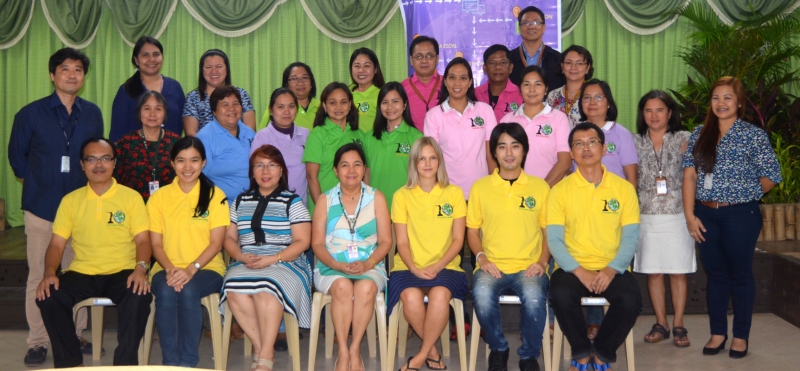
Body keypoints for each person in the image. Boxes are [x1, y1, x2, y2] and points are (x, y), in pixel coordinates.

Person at [8, 47, 103, 366]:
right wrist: (41, 181)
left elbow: (97, 159)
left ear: (84, 77)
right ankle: (38, 341)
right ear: (52, 75)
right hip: (42, 208)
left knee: (78, 275)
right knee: (39, 275)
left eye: (78, 69)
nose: (72, 74)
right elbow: (17, 161)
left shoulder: (92, 113)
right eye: (65, 69)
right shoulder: (30, 114)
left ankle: (75, 333)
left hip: (81, 211)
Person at [682, 76, 781, 358]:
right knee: (715, 275)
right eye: (716, 98)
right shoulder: (700, 132)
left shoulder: (753, 135)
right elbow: (689, 175)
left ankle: (740, 336)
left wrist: (742, 196)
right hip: (704, 214)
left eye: (727, 98)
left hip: (741, 215)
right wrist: (690, 216)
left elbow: (772, 175)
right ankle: (717, 333)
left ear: (738, 103)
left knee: (740, 275)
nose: (721, 103)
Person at [35, 138, 152, 368]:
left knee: (139, 296)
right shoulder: (70, 201)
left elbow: (143, 240)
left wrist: (141, 268)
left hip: (123, 270)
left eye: (105, 158)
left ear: (114, 162)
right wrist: (50, 272)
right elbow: (57, 244)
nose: (99, 164)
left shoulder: (131, 197)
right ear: (82, 164)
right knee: (48, 295)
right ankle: (69, 363)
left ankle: (125, 364)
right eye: (91, 159)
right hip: (82, 272)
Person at [547, 122, 642, 371]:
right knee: (560, 294)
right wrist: (580, 271)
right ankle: (580, 353)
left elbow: (631, 237)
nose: (585, 149)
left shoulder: (623, 189)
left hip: (613, 267)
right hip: (572, 268)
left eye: (592, 142)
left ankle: (601, 353)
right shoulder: (559, 191)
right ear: (571, 151)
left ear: (604, 148)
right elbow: (554, 240)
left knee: (631, 299)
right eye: (578, 144)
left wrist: (611, 270)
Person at [467, 123, 551, 371]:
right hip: (492, 266)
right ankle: (498, 349)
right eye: (502, 147)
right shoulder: (480, 187)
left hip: (530, 267)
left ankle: (528, 356)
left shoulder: (540, 187)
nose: (509, 153)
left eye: (515, 146)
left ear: (524, 150)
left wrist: (543, 262)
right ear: (494, 152)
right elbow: (472, 231)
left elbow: (549, 232)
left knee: (535, 299)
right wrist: (481, 258)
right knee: (481, 295)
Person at [221, 145, 312, 371]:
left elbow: (302, 242)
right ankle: (263, 349)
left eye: (272, 165)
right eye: (259, 165)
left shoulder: (293, 201)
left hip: (286, 260)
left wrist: (273, 259)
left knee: (266, 291)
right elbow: (229, 238)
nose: (265, 170)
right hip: (247, 259)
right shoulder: (240, 201)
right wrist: (240, 256)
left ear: (281, 170)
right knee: (233, 288)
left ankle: (264, 355)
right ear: (252, 172)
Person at [147, 137, 229, 367]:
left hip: (207, 268)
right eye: (181, 160)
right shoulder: (159, 197)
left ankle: (188, 363)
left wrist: (191, 269)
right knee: (164, 291)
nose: (187, 167)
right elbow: (155, 245)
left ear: (203, 163)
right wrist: (172, 269)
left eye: (194, 160)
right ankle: (170, 363)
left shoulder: (215, 195)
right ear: (172, 164)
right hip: (166, 267)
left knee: (188, 291)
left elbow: (216, 244)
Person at [388, 137, 467, 371]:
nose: (427, 163)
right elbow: (401, 241)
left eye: (433, 158)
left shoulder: (454, 193)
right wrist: (414, 267)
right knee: (410, 297)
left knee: (440, 295)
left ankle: (420, 356)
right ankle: (432, 353)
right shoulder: (401, 195)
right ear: (413, 163)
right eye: (421, 158)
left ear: (440, 162)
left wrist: (438, 265)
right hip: (408, 266)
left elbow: (458, 240)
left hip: (446, 266)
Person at [311, 143, 391, 371]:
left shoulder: (377, 198)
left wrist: (368, 263)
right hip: (331, 266)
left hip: (370, 264)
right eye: (344, 165)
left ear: (365, 169)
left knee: (365, 289)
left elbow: (386, 241)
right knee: (343, 288)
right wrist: (337, 265)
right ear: (336, 170)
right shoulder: (325, 200)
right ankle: (343, 353)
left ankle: (355, 348)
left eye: (357, 164)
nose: (351, 170)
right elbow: (316, 244)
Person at [633, 90, 696, 347]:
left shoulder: (684, 138)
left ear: (670, 113)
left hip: (678, 214)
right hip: (645, 215)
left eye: (660, 110)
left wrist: (692, 215)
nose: (654, 115)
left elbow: (694, 176)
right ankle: (662, 323)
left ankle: (679, 323)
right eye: (648, 110)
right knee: (654, 272)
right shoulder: (634, 141)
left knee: (678, 271)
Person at [424, 57, 497, 201]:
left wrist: (494, 188)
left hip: (481, 193)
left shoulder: (485, 111)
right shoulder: (434, 116)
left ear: (470, 82)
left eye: (463, 78)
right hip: (447, 193)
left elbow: (492, 155)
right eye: (452, 77)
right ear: (445, 81)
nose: (457, 83)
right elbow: (432, 159)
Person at [501, 65, 571, 187]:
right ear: (520, 89)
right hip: (516, 190)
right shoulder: (507, 120)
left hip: (551, 190)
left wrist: (542, 189)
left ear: (546, 89)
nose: (532, 89)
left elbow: (565, 161)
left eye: (538, 84)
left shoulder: (558, 118)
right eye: (526, 84)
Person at [303, 82, 364, 212]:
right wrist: (323, 209)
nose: (338, 107)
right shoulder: (317, 134)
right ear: (324, 106)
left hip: (355, 208)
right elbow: (311, 176)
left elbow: (364, 172)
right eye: (332, 103)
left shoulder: (359, 134)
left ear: (350, 105)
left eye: (343, 102)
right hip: (325, 208)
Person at [110, 36, 185, 141]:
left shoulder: (175, 87)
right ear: (136, 59)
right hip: (135, 155)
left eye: (156, 54)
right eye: (145, 55)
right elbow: (116, 134)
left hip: (170, 153)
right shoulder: (126, 90)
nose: (151, 59)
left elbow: (181, 124)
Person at [363, 82, 423, 210]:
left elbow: (421, 175)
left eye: (395, 101)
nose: (390, 107)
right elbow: (366, 172)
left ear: (405, 104)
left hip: (406, 207)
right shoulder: (369, 136)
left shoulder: (416, 137)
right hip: (375, 207)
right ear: (379, 106)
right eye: (385, 102)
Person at [114, 91, 181, 201]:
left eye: (158, 109)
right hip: (132, 205)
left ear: (165, 113)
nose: (152, 114)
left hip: (168, 205)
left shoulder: (175, 142)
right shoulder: (126, 142)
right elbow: (116, 179)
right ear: (139, 112)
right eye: (147, 108)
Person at [196, 85, 256, 201]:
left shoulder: (250, 133)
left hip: (253, 203)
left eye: (235, 104)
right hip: (222, 206)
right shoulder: (204, 138)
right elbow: (199, 178)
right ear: (214, 111)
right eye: (225, 105)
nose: (232, 109)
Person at [252, 88, 310, 205]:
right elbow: (256, 173)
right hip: (271, 207)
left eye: (291, 106)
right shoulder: (262, 137)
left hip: (300, 207)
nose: (287, 112)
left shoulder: (306, 135)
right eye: (280, 107)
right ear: (271, 110)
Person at [578, 79, 638, 185]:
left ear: (608, 103)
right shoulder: (575, 133)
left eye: (598, 97)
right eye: (587, 98)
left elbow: (631, 177)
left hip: (614, 198)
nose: (592, 102)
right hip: (581, 197)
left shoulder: (622, 134)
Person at [183, 49, 255, 136]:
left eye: (219, 66)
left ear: (227, 70)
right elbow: (191, 133)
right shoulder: (193, 97)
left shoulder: (241, 94)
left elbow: (250, 129)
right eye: (208, 67)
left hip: (239, 146)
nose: (214, 71)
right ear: (202, 71)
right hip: (204, 147)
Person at [509, 6, 564, 92]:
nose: (531, 27)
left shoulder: (557, 58)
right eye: (526, 23)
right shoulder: (509, 59)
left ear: (544, 28)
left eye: (536, 22)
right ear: (519, 28)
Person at [259, 62, 319, 131]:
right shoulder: (277, 107)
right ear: (286, 84)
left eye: (304, 78)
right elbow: (261, 135)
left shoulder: (322, 107)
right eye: (294, 79)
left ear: (311, 83)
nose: (300, 82)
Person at [546, 45, 594, 128]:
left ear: (587, 68)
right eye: (568, 62)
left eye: (579, 63)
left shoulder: (594, 94)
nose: (573, 67)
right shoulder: (553, 96)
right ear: (562, 66)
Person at [401, 36, 442, 132]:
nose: (424, 61)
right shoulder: (402, 88)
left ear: (437, 59)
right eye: (419, 56)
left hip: (444, 144)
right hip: (412, 143)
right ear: (411, 60)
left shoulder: (448, 84)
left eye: (429, 56)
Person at [476, 44, 523, 123]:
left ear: (510, 68)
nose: (498, 67)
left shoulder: (521, 94)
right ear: (485, 68)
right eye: (492, 63)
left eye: (503, 63)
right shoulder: (474, 94)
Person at [349, 48, 386, 133]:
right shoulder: (346, 94)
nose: (361, 70)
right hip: (349, 144)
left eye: (367, 66)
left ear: (375, 69)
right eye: (357, 66)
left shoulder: (382, 95)